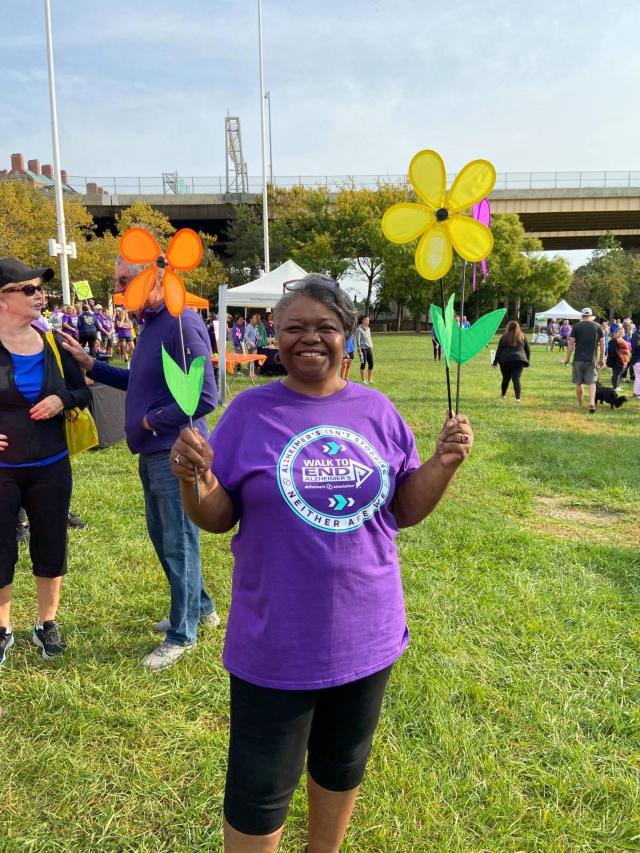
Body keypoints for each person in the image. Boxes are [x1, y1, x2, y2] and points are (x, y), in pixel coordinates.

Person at [169, 274, 474, 852]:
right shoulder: (249, 412)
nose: (309, 338)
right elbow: (218, 516)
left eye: (325, 327)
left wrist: (443, 464)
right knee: (259, 787)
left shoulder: (377, 410)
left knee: (341, 763)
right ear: (275, 336)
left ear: (348, 336)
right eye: (294, 328)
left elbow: (403, 509)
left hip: (368, 631)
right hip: (277, 639)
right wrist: (195, 479)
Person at [60, 253, 219, 671]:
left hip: (175, 452)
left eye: (125, 280)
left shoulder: (180, 321)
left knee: (178, 540)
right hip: (153, 452)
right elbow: (141, 381)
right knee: (165, 536)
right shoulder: (152, 324)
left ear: (157, 276)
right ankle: (200, 607)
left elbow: (206, 395)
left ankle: (182, 634)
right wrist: (93, 365)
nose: (119, 290)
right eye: (118, 282)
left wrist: (152, 420)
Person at [0, 258, 91, 666]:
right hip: (3, 471)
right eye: (29, 289)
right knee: (1, 547)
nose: (40, 295)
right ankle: (2, 628)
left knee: (51, 541)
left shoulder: (52, 341)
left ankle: (46, 622)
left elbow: (82, 391)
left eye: (40, 288)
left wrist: (61, 399)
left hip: (51, 465)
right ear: (3, 300)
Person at [564, 307, 605, 414]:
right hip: (591, 359)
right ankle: (592, 402)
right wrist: (601, 358)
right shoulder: (597, 326)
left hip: (578, 359)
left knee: (578, 383)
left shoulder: (576, 326)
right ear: (591, 316)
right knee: (592, 382)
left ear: (582, 316)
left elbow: (571, 343)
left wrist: (567, 358)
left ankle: (580, 404)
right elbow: (602, 344)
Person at [493, 320, 530, 402]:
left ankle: (503, 396)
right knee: (516, 378)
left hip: (505, 361)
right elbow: (527, 350)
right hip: (519, 361)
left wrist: (495, 362)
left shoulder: (504, 336)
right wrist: (527, 361)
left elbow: (499, 350)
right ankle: (518, 399)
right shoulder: (522, 336)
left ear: (508, 327)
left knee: (505, 378)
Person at [607, 327, 630, 392]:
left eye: (622, 332)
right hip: (618, 361)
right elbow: (614, 351)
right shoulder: (614, 340)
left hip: (624, 360)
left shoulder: (621, 339)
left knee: (620, 374)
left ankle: (617, 386)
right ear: (616, 333)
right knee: (616, 374)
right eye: (619, 332)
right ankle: (615, 387)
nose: (621, 333)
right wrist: (621, 359)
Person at [356, 314, 374, 383]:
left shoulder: (368, 329)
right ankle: (363, 380)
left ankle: (370, 379)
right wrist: (359, 350)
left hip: (369, 348)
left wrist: (371, 345)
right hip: (363, 349)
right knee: (363, 363)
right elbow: (358, 340)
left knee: (371, 363)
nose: (368, 321)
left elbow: (369, 338)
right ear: (362, 320)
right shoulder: (359, 329)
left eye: (368, 320)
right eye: (366, 320)